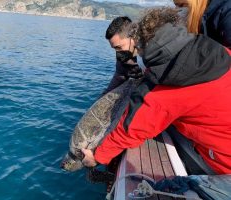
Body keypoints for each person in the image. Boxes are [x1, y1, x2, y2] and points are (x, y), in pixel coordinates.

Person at [82, 8, 231, 174]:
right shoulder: (217, 50)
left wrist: (97, 157)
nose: (119, 53)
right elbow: (119, 79)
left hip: (223, 163)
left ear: (138, 41)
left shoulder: (164, 87)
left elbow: (132, 127)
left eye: (120, 47)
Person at [101, 16, 144, 96]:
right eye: (114, 49)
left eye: (119, 47)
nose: (117, 53)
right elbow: (115, 84)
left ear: (133, 36)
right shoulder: (123, 61)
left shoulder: (152, 52)